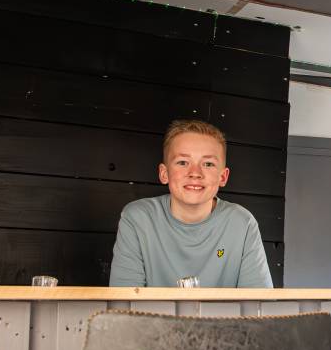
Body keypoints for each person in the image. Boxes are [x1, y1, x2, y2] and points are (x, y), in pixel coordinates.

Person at [109, 119, 274, 288]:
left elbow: (258, 304)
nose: (195, 173)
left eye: (208, 164)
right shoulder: (137, 219)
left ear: (222, 177)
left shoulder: (242, 223)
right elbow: (125, 302)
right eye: (182, 162)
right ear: (164, 173)